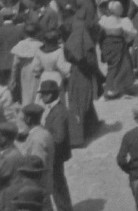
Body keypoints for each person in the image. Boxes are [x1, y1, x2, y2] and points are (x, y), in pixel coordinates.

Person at [63, 0, 101, 147]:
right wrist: (97, 73)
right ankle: (77, 138)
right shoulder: (85, 39)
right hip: (83, 74)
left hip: (75, 72)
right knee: (80, 104)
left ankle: (92, 125)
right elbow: (91, 61)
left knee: (80, 101)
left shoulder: (71, 40)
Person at [39, 78, 72, 211]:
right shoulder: (54, 109)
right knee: (58, 186)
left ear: (51, 94)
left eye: (44, 94)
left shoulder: (58, 112)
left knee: (58, 186)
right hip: (56, 155)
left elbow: (59, 137)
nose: (41, 96)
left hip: (56, 156)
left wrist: (44, 138)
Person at [98, 1, 136, 99]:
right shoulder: (123, 21)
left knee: (119, 65)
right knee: (120, 66)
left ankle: (118, 87)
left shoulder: (104, 20)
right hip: (118, 44)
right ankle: (111, 89)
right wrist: (127, 40)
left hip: (107, 43)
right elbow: (132, 33)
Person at [18, 103, 54, 204]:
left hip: (38, 187)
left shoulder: (36, 140)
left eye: (23, 118)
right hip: (45, 184)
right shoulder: (43, 132)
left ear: (28, 119)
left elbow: (36, 167)